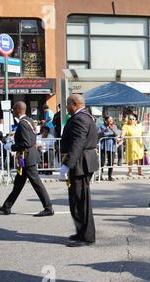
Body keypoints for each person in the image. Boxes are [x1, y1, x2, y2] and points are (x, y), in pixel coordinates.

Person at [0, 101, 54, 217]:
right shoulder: (29, 120)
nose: (13, 111)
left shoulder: (23, 123)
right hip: (26, 156)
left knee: (36, 183)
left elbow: (26, 142)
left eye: (14, 109)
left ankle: (48, 207)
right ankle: (7, 206)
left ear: (18, 110)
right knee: (18, 183)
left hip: (27, 156)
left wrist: (12, 146)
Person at [59, 94, 99, 247]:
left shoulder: (80, 118)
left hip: (81, 163)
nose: (66, 107)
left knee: (81, 201)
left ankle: (87, 236)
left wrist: (67, 164)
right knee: (76, 199)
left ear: (74, 104)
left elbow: (78, 143)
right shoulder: (84, 117)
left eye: (68, 104)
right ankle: (81, 231)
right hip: (82, 162)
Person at [98, 116, 120, 181]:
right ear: (106, 121)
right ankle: (100, 175)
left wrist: (112, 129)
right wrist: (104, 130)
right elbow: (98, 134)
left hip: (112, 147)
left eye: (112, 120)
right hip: (103, 146)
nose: (111, 121)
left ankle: (110, 176)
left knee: (111, 162)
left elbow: (116, 135)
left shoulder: (114, 126)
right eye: (109, 120)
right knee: (102, 162)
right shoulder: (102, 126)